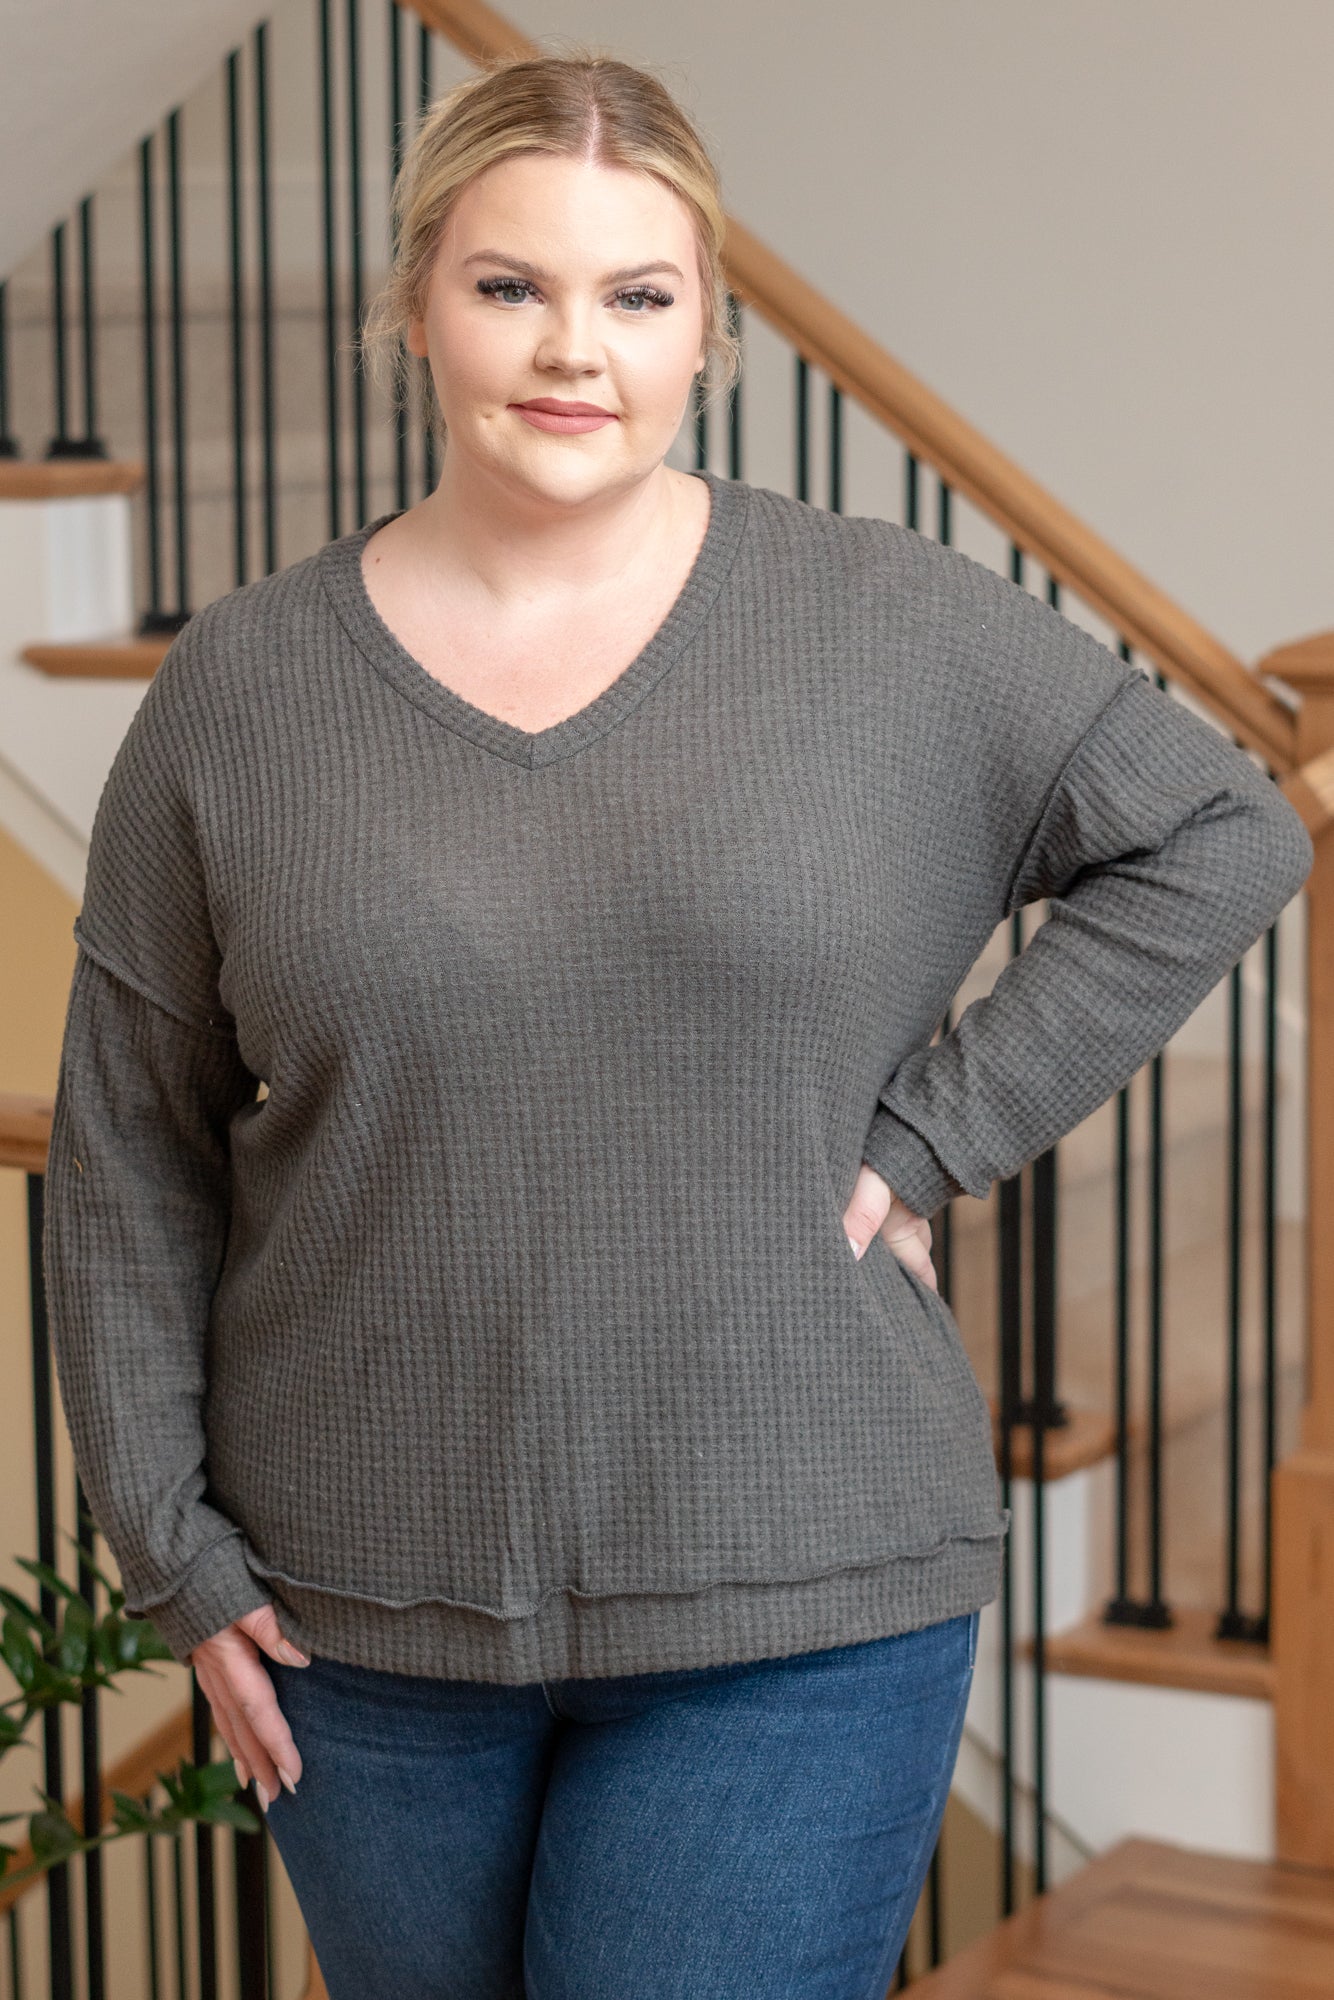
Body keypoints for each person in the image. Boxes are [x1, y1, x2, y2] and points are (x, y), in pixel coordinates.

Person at [42, 48, 1312, 2000]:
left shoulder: (886, 630)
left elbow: (1221, 832)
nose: (577, 349)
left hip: (801, 1591)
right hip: (348, 1626)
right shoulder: (241, 691)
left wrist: (935, 1134)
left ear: (707, 331)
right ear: (414, 303)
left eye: (637, 294)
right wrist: (173, 1552)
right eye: (510, 285)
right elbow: (128, 1150)